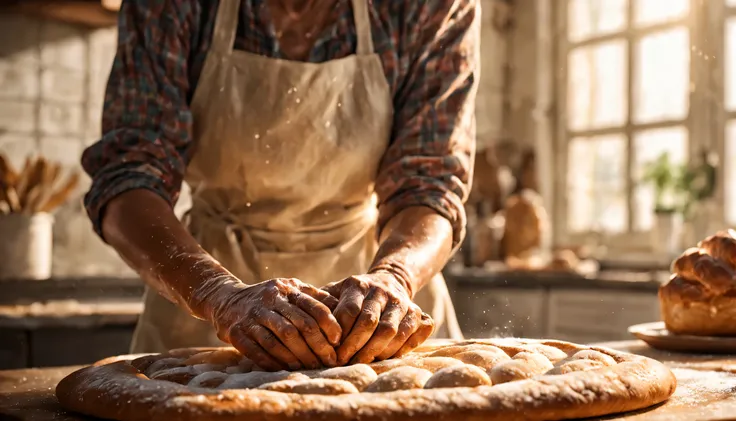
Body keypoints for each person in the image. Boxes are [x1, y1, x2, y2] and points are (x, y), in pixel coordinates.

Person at [82, 0, 478, 371]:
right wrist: (219, 295)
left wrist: (395, 275)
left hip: (381, 311)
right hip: (205, 304)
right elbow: (128, 176)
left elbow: (430, 182)